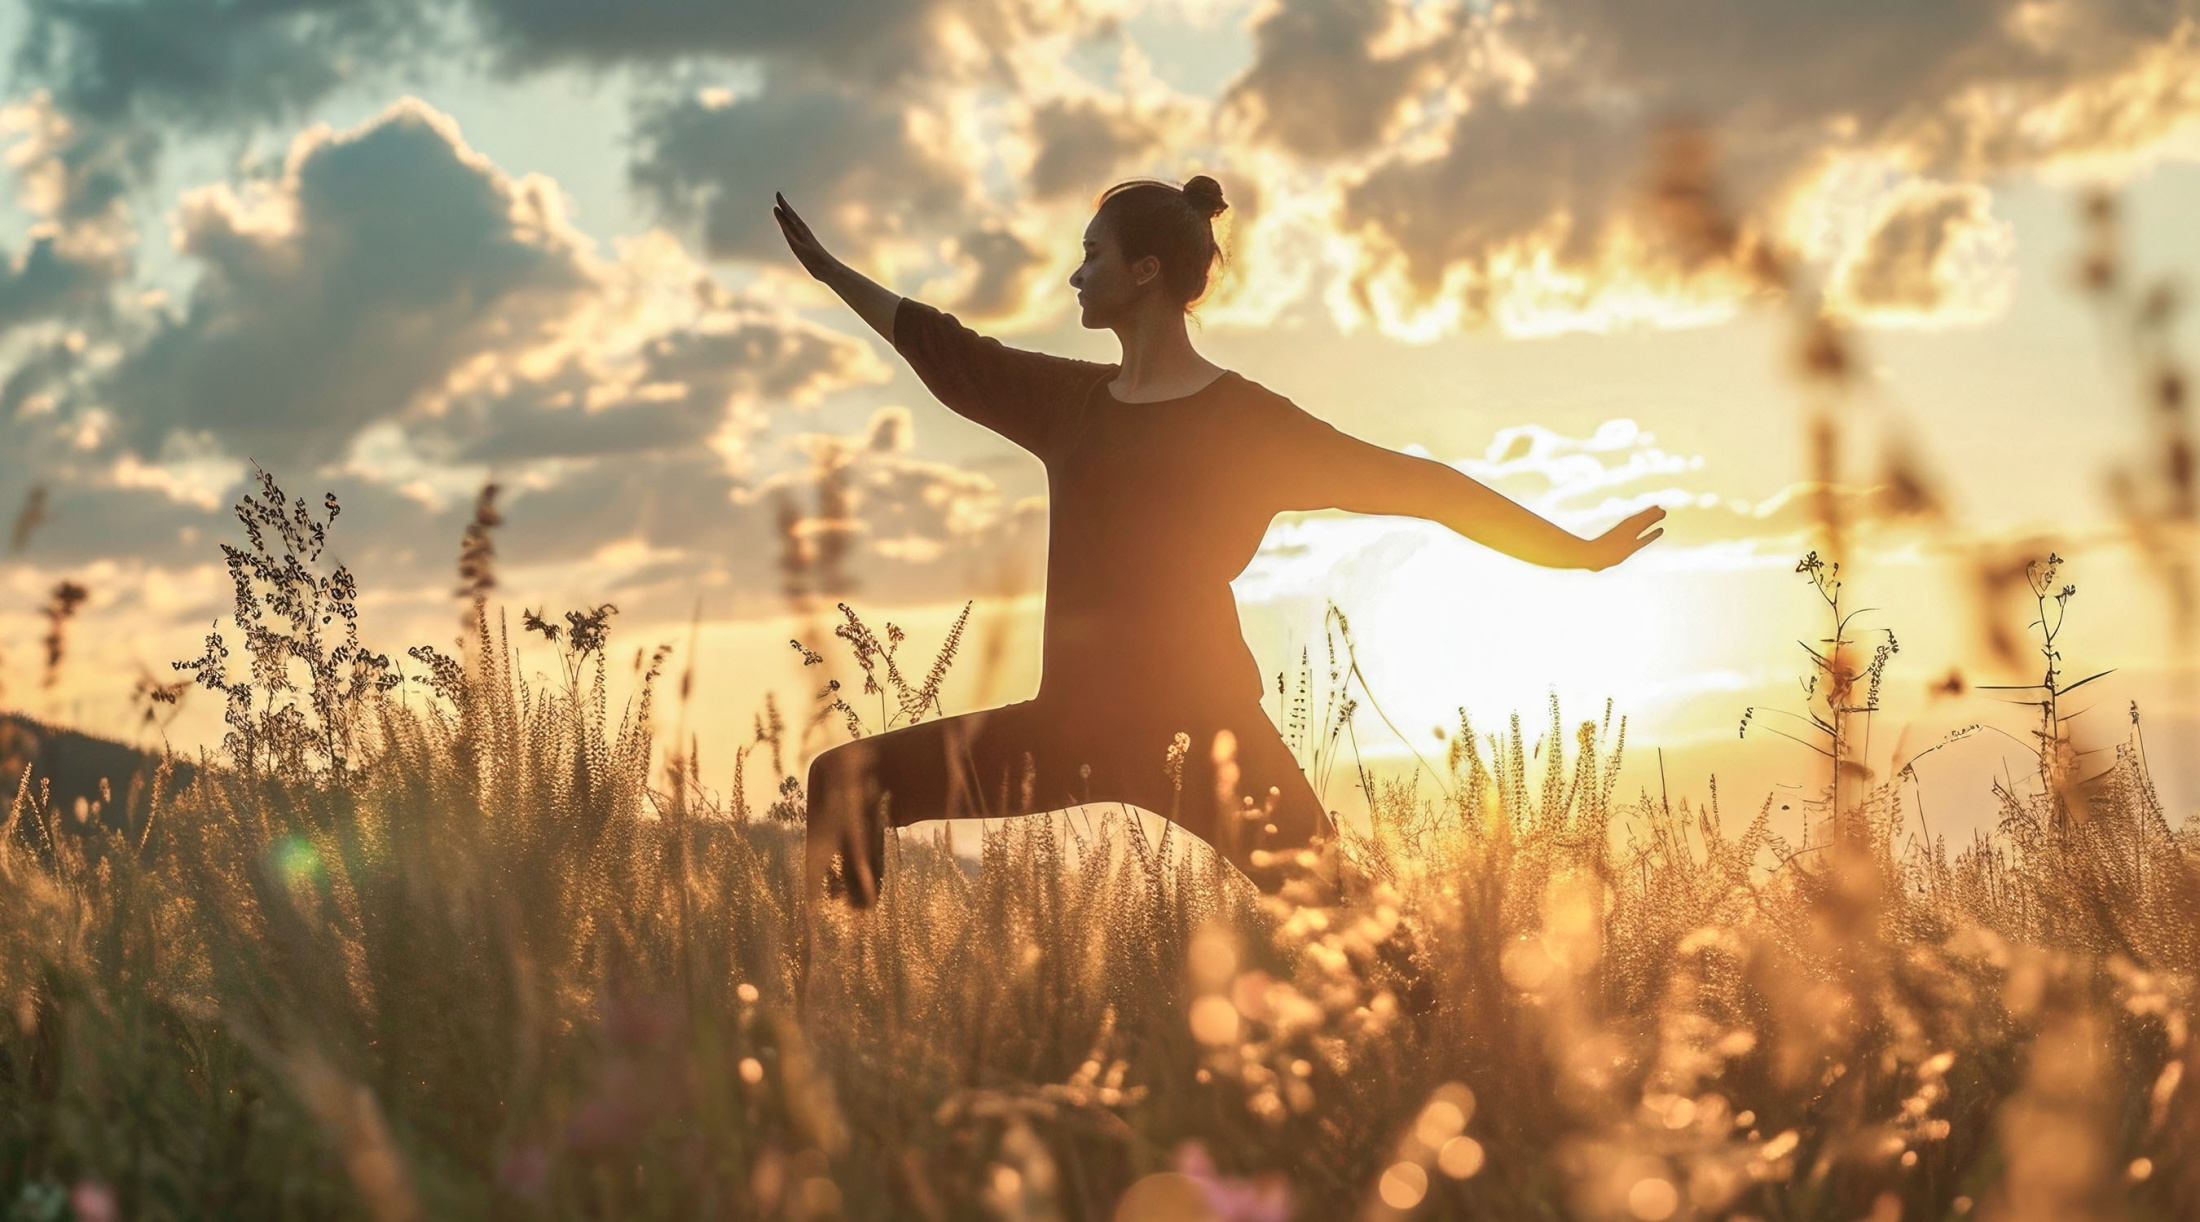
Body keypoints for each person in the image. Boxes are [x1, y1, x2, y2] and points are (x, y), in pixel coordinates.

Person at [772, 175, 1665, 908]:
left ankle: (1458, 1062)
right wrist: (830, 274)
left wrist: (1574, 551)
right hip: (1072, 728)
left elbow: (1422, 486)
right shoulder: (1068, 406)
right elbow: (944, 348)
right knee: (846, 781)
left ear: (1148, 271)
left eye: (1092, 257)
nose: (1076, 278)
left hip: (1209, 738)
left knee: (1355, 932)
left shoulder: (1248, 427)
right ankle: (846, 1002)